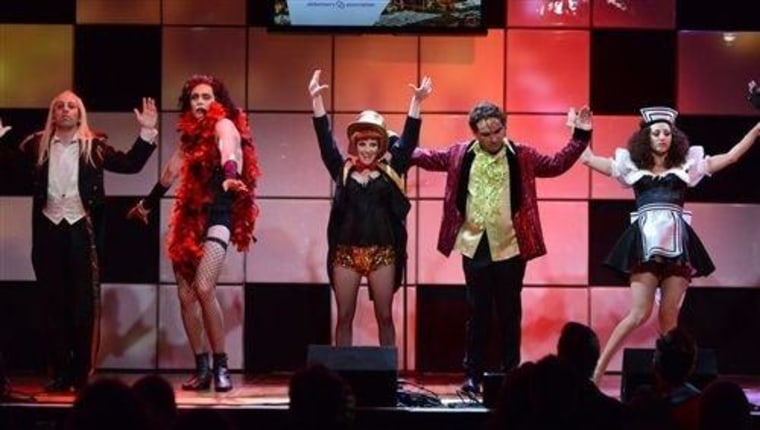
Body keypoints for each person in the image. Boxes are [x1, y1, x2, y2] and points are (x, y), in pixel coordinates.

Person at [411, 101, 593, 394]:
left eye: (498, 130)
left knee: (509, 312)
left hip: (510, 245)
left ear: (504, 127)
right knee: (477, 312)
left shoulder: (522, 155)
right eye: (486, 133)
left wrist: (581, 135)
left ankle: (512, 374)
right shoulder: (460, 153)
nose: (494, 137)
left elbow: (556, 164)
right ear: (475, 134)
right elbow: (426, 156)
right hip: (474, 245)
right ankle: (473, 375)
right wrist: (398, 142)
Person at [582, 106, 760, 383]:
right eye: (656, 133)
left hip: (677, 245)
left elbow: (732, 156)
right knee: (639, 313)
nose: (662, 137)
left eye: (667, 133)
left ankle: (674, 382)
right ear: (646, 138)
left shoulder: (687, 165)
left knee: (668, 319)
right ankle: (597, 373)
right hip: (645, 244)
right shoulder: (631, 167)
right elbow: (590, 159)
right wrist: (581, 134)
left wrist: (758, 128)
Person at [13, 91, 158, 392]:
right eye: (60, 106)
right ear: (53, 114)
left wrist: (147, 131)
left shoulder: (94, 147)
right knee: (53, 304)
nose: (65, 110)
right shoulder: (37, 146)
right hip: (48, 231)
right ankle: (60, 372)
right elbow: (7, 164)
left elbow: (131, 164)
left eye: (71, 106)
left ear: (80, 114)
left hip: (81, 230)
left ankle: (79, 374)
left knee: (81, 306)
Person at [127, 75, 260, 392]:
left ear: (217, 100)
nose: (201, 102)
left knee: (203, 286)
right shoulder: (189, 139)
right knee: (185, 295)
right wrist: (147, 204)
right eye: (195, 98)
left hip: (219, 213)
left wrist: (229, 176)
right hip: (190, 217)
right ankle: (201, 367)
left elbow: (230, 151)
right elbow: (171, 172)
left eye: (206, 96)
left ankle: (221, 365)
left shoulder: (223, 124)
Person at [308, 69, 432, 346]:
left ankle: (388, 380)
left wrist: (417, 102)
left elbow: (409, 140)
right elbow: (325, 142)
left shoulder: (391, 170)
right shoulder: (343, 171)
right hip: (345, 254)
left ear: (380, 146)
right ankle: (342, 380)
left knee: (385, 316)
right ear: (356, 144)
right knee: (344, 316)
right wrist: (316, 101)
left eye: (372, 144)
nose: (366, 149)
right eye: (362, 143)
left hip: (382, 253)